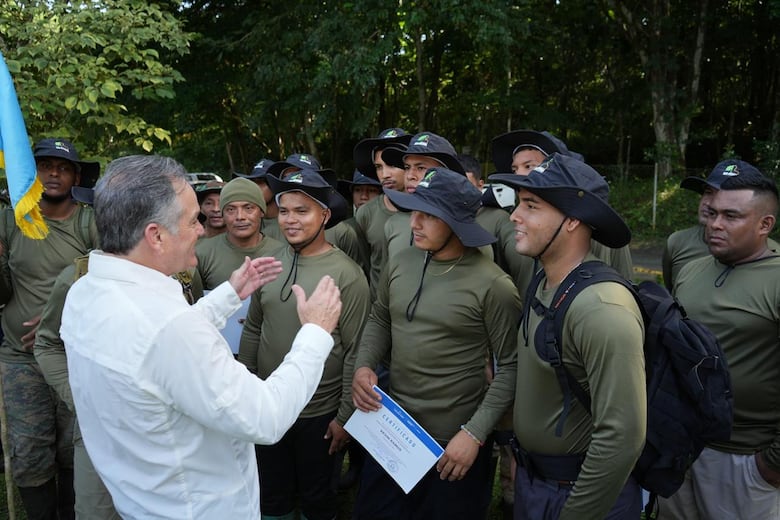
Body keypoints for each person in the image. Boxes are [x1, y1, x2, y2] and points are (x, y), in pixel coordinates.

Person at [59, 154, 342, 519]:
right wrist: (316, 333)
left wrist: (228, 295)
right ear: (156, 236)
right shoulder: (168, 329)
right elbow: (266, 416)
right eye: (193, 220)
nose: (205, 227)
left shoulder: (86, 293)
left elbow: (152, 353)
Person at [352, 167, 521, 520]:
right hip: (393, 430)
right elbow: (380, 319)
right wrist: (364, 365)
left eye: (429, 215)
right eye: (414, 210)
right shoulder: (402, 260)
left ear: (457, 222)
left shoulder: (494, 285)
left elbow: (512, 366)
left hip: (452, 444)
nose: (414, 222)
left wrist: (473, 435)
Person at [489, 154, 646, 519]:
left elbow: (622, 438)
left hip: (582, 495)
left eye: (531, 206)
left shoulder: (603, 308)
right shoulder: (544, 282)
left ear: (574, 220)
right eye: (518, 204)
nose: (514, 216)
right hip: (537, 483)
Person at [238, 169, 370, 520]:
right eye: (284, 211)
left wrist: (344, 417)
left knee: (317, 499)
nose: (290, 221)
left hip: (319, 414)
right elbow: (253, 328)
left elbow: (356, 349)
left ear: (324, 215)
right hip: (266, 405)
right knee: (271, 496)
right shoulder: (268, 263)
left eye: (302, 211)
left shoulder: (347, 275)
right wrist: (246, 386)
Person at [657, 164, 780, 519]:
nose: (714, 225)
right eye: (712, 214)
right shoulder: (691, 268)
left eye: (731, 216)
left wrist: (770, 465)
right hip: (682, 446)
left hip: (745, 459)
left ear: (764, 224)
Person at [0, 137, 99, 520]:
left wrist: (56, 324)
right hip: (19, 357)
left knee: (76, 445)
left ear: (76, 175)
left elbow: (109, 279)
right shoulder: (11, 219)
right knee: (29, 450)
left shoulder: (91, 221)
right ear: (31, 174)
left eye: (62, 166)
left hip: (75, 353)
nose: (53, 173)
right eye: (44, 166)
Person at [490, 129, 633, 286]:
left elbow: (624, 280)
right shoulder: (512, 219)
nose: (519, 175)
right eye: (514, 169)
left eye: (529, 166)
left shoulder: (597, 223)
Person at [662, 159, 779, 290]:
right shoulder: (678, 243)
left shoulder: (772, 256)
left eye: (722, 195)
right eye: (708, 192)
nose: (709, 202)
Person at [194, 177, 284, 292]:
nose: (240, 216)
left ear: (261, 211)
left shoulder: (282, 253)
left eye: (248, 208)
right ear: (223, 214)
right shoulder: (202, 253)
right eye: (231, 209)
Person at [352, 128, 411, 299]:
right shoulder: (365, 214)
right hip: (378, 312)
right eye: (379, 167)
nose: (385, 174)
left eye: (392, 164)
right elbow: (365, 264)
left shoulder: (430, 212)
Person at [235, 158, 280, 240]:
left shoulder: (289, 223)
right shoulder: (245, 221)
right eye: (252, 182)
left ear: (274, 185)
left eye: (260, 182)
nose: (255, 187)